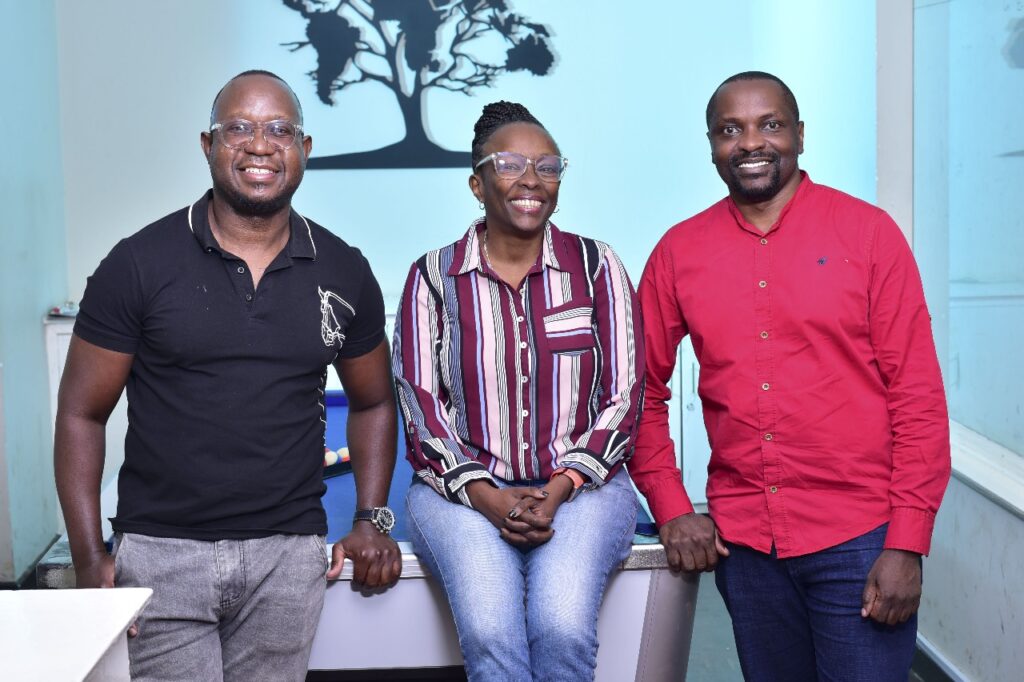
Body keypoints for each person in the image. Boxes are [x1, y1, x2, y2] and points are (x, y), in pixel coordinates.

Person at [54, 70, 401, 681]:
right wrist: (89, 557)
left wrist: (370, 518)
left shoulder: (344, 269)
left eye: (279, 130)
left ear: (304, 149)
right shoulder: (138, 263)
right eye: (237, 128)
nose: (260, 144)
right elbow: (82, 413)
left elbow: (374, 401)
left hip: (288, 558)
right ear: (208, 145)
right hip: (162, 557)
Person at [630, 71, 951, 681]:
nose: (751, 142)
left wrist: (907, 541)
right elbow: (638, 390)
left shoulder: (868, 235)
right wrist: (671, 507)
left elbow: (917, 398)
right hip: (745, 545)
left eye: (770, 124)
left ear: (800, 135)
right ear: (711, 144)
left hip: (861, 538)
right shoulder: (678, 251)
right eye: (731, 130)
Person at [392, 101, 644, 682]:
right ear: (477, 183)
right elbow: (422, 409)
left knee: (559, 626)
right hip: (462, 492)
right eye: (510, 164)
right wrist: (485, 495)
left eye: (548, 166)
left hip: (583, 488)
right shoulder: (432, 277)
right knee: (490, 632)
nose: (531, 180)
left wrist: (559, 488)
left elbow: (624, 397)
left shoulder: (597, 266)